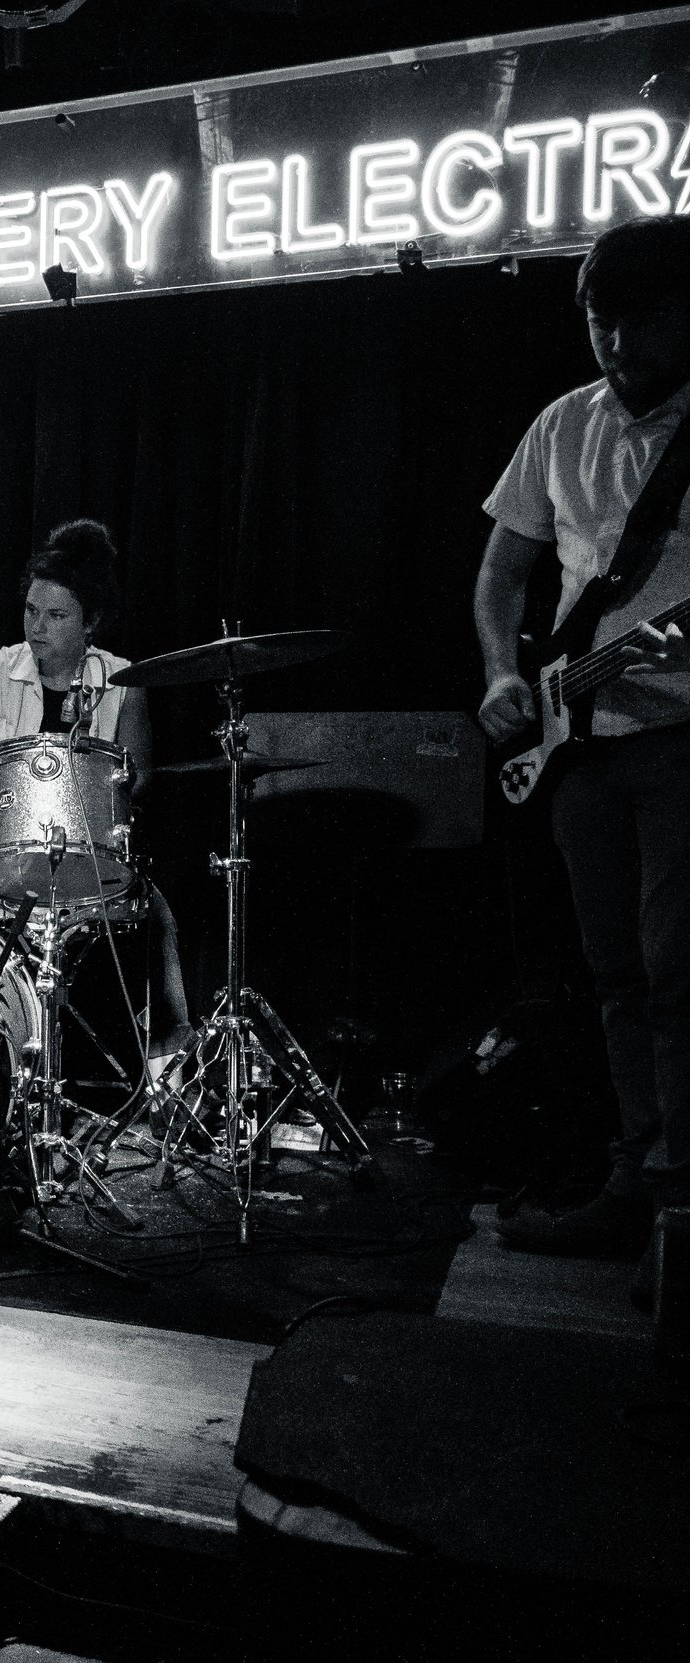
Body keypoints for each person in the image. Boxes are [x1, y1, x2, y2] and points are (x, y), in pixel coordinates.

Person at [475, 215, 690, 1300]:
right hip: (582, 745)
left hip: (681, 743)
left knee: (676, 968)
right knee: (615, 974)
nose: (615, 343)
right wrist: (499, 673)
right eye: (601, 321)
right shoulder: (562, 424)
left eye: (638, 321)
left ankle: (680, 1202)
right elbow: (501, 574)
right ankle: (639, 1181)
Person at [0, 519, 190, 1051]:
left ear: (91, 622)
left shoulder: (123, 683)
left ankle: (161, 1066)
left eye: (56, 615)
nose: (37, 627)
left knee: (154, 917)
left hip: (82, 852)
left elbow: (135, 784)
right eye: (31, 610)